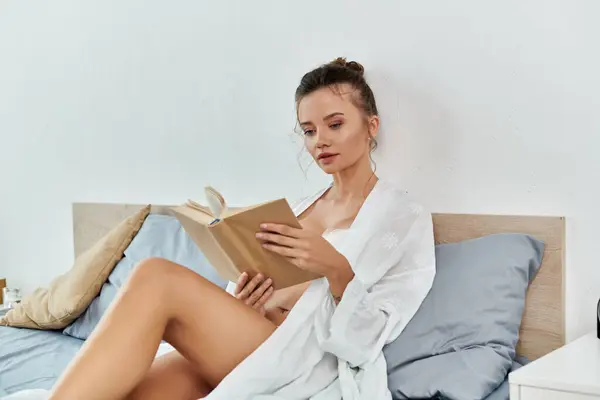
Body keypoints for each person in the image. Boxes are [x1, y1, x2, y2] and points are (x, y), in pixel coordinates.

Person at [11, 57, 437, 400]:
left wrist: (338, 271)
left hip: (305, 358)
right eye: (308, 130)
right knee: (126, 392)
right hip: (247, 340)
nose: (319, 140)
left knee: (156, 277)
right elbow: (269, 285)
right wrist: (248, 299)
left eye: (335, 124)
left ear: (371, 126)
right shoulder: (300, 208)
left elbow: (371, 339)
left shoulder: (402, 217)